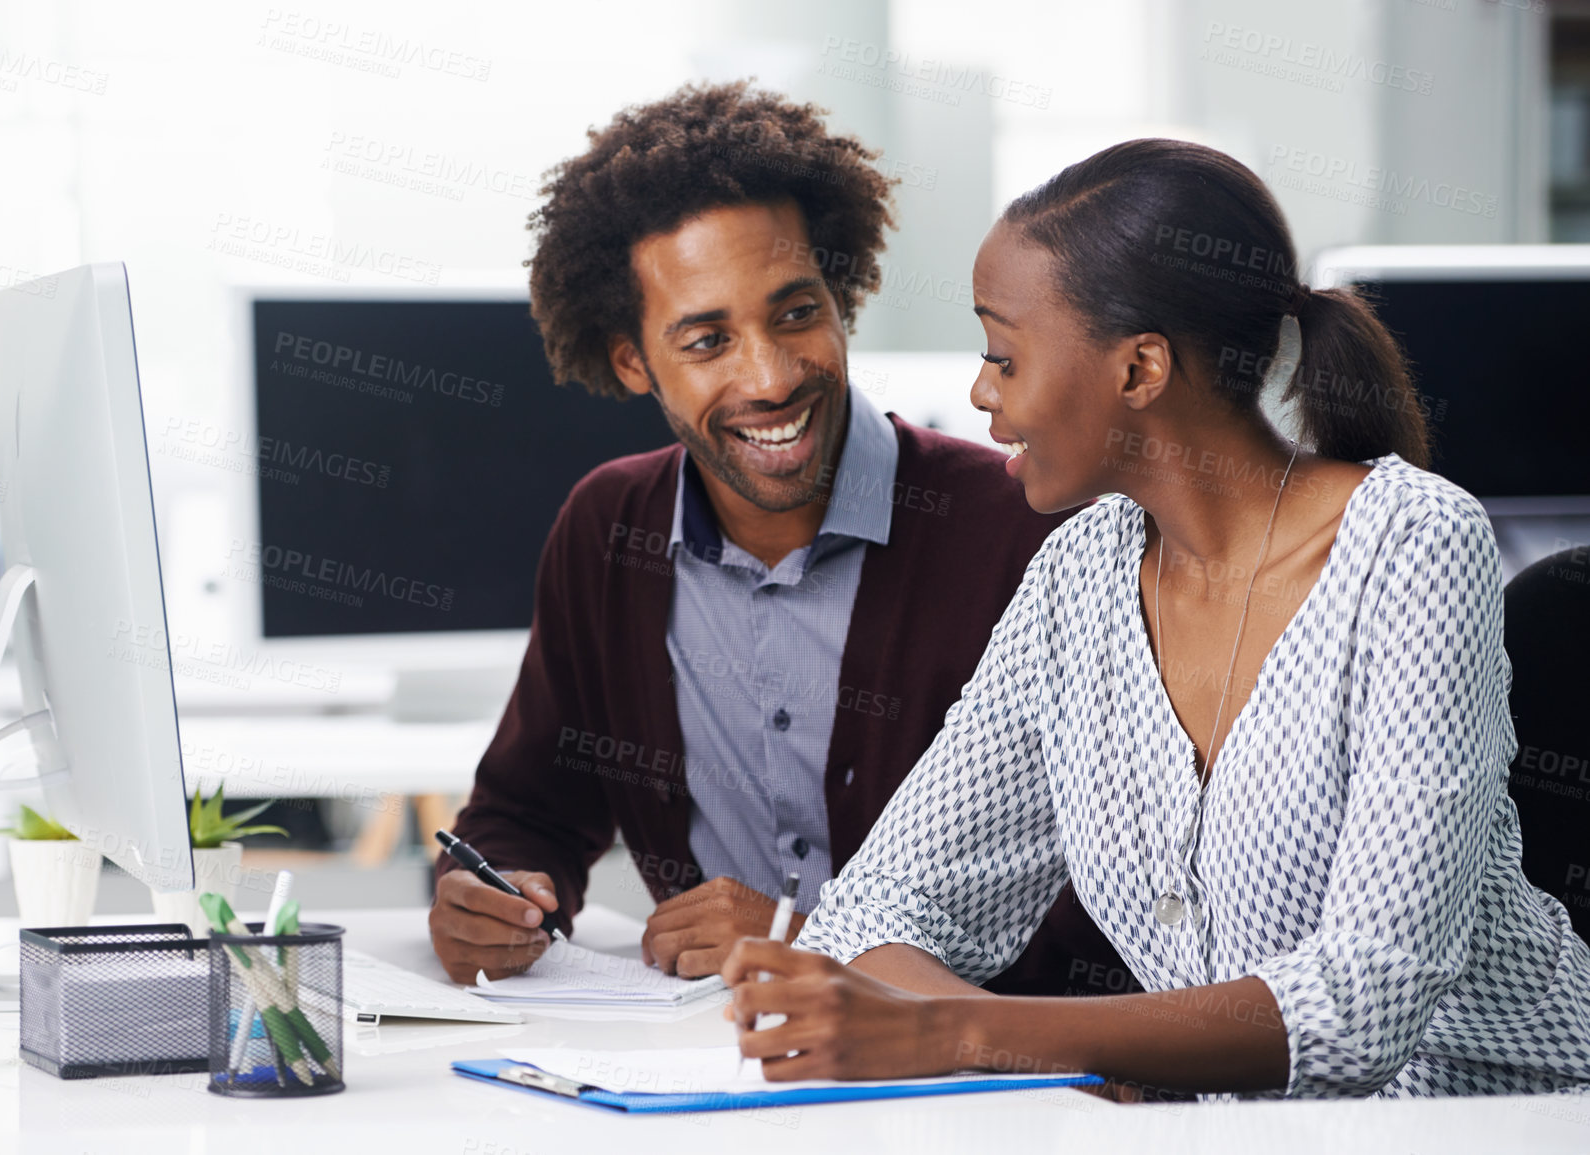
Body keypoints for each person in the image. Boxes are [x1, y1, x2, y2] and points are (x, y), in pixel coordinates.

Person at [720, 138, 1590, 1099]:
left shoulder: (1413, 545)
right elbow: (879, 908)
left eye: (1003, 356)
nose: (980, 393)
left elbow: (1361, 1004)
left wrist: (969, 1030)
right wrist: (986, 1034)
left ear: (1139, 370)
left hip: (1501, 1113)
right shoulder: (1079, 575)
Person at [425, 82, 1121, 989]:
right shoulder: (610, 532)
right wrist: (492, 892)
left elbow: (1112, 900)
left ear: (841, 296)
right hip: (700, 1059)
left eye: (795, 313)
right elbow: (531, 808)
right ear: (633, 358)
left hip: (963, 1081)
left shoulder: (1024, 529)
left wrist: (819, 939)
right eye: (707, 341)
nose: (769, 376)